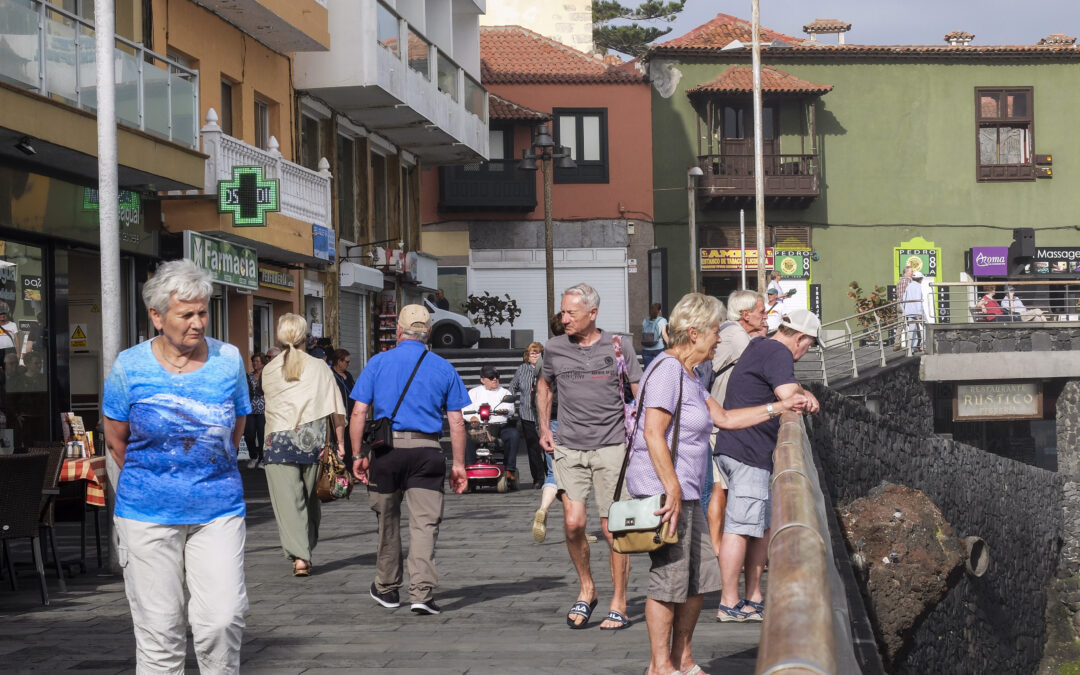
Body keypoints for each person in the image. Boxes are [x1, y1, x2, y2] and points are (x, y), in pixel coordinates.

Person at [626, 293, 808, 675]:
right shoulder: (666, 370)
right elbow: (653, 433)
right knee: (668, 581)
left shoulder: (691, 375)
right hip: (666, 494)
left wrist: (779, 408)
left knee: (697, 579)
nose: (719, 339)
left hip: (689, 490)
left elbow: (724, 418)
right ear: (693, 333)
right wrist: (671, 488)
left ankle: (683, 658)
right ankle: (660, 666)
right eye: (713, 332)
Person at [102, 259, 251, 673]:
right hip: (147, 515)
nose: (198, 322)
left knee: (221, 621)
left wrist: (203, 472)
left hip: (217, 510)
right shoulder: (129, 367)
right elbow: (117, 443)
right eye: (186, 314)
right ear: (156, 316)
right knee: (160, 632)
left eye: (203, 312)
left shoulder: (229, 360)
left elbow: (234, 430)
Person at [350, 304, 470, 616]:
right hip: (427, 452)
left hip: (386, 453)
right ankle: (422, 593)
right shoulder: (444, 367)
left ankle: (388, 588)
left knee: (387, 521)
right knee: (425, 524)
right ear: (429, 333)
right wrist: (459, 464)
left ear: (399, 332)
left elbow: (359, 412)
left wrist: (357, 455)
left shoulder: (378, 363)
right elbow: (456, 421)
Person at [538, 282, 643, 631]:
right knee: (573, 523)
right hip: (568, 446)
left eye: (571, 313)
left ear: (592, 313)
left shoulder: (618, 346)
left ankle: (619, 600)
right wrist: (544, 427)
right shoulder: (553, 349)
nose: (564, 318)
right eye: (563, 312)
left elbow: (637, 392)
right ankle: (587, 588)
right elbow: (544, 386)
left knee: (613, 529)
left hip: (613, 446)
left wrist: (644, 437)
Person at [714, 308, 822, 622]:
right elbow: (789, 394)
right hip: (748, 449)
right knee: (739, 527)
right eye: (810, 345)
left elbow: (788, 388)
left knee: (758, 526)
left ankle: (752, 597)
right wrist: (805, 393)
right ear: (800, 338)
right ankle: (729, 603)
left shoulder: (761, 345)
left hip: (738, 447)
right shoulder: (778, 353)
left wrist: (804, 389)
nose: (806, 352)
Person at [261, 314, 347, 577]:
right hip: (312, 443)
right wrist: (341, 444)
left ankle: (300, 556)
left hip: (276, 443)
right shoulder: (320, 367)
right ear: (305, 338)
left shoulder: (268, 370)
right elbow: (336, 410)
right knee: (310, 501)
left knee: (288, 504)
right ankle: (304, 549)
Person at [703, 289, 767, 555]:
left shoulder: (734, 334)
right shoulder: (734, 335)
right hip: (720, 424)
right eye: (761, 312)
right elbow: (762, 363)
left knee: (723, 489)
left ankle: (720, 546)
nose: (765, 317)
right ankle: (717, 546)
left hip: (723, 421)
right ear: (745, 314)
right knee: (720, 490)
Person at [465, 365, 521, 486]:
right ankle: (469, 466)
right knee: (467, 436)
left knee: (513, 434)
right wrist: (472, 417)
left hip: (499, 426)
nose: (494, 379)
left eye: (496, 377)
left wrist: (504, 410)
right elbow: (465, 408)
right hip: (479, 427)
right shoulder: (474, 392)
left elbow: (510, 408)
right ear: (482, 379)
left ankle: (509, 469)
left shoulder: (504, 392)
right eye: (491, 377)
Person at [508, 342, 547, 489]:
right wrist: (510, 401)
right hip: (527, 414)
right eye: (532, 353)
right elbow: (513, 386)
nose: (535, 355)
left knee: (547, 448)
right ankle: (538, 478)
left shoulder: (547, 368)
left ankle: (550, 476)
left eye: (538, 353)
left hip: (544, 414)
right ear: (527, 355)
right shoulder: (522, 369)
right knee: (533, 448)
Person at [330, 349, 358, 464]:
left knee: (350, 444)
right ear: (338, 361)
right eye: (346, 362)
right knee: (339, 444)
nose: (348, 364)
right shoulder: (331, 375)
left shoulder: (348, 375)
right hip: (338, 417)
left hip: (351, 416)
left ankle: (351, 471)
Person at [244, 353, 266, 469]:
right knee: (249, 435)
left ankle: (263, 459)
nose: (254, 363)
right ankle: (254, 456)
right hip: (250, 410)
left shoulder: (267, 376)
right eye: (253, 361)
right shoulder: (248, 376)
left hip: (264, 411)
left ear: (262, 363)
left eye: (257, 361)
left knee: (262, 435)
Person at [641, 302, 670, 368]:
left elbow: (644, 332)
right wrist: (670, 344)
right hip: (658, 347)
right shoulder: (662, 320)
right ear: (659, 311)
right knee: (660, 368)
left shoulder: (645, 320)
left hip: (646, 348)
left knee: (648, 370)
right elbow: (664, 334)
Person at [904, 270, 926, 351]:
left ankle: (911, 348)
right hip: (917, 311)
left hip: (909, 312)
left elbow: (904, 298)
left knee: (912, 330)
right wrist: (920, 312)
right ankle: (923, 345)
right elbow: (918, 300)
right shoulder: (918, 286)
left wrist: (905, 311)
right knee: (926, 326)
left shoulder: (909, 286)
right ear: (920, 279)